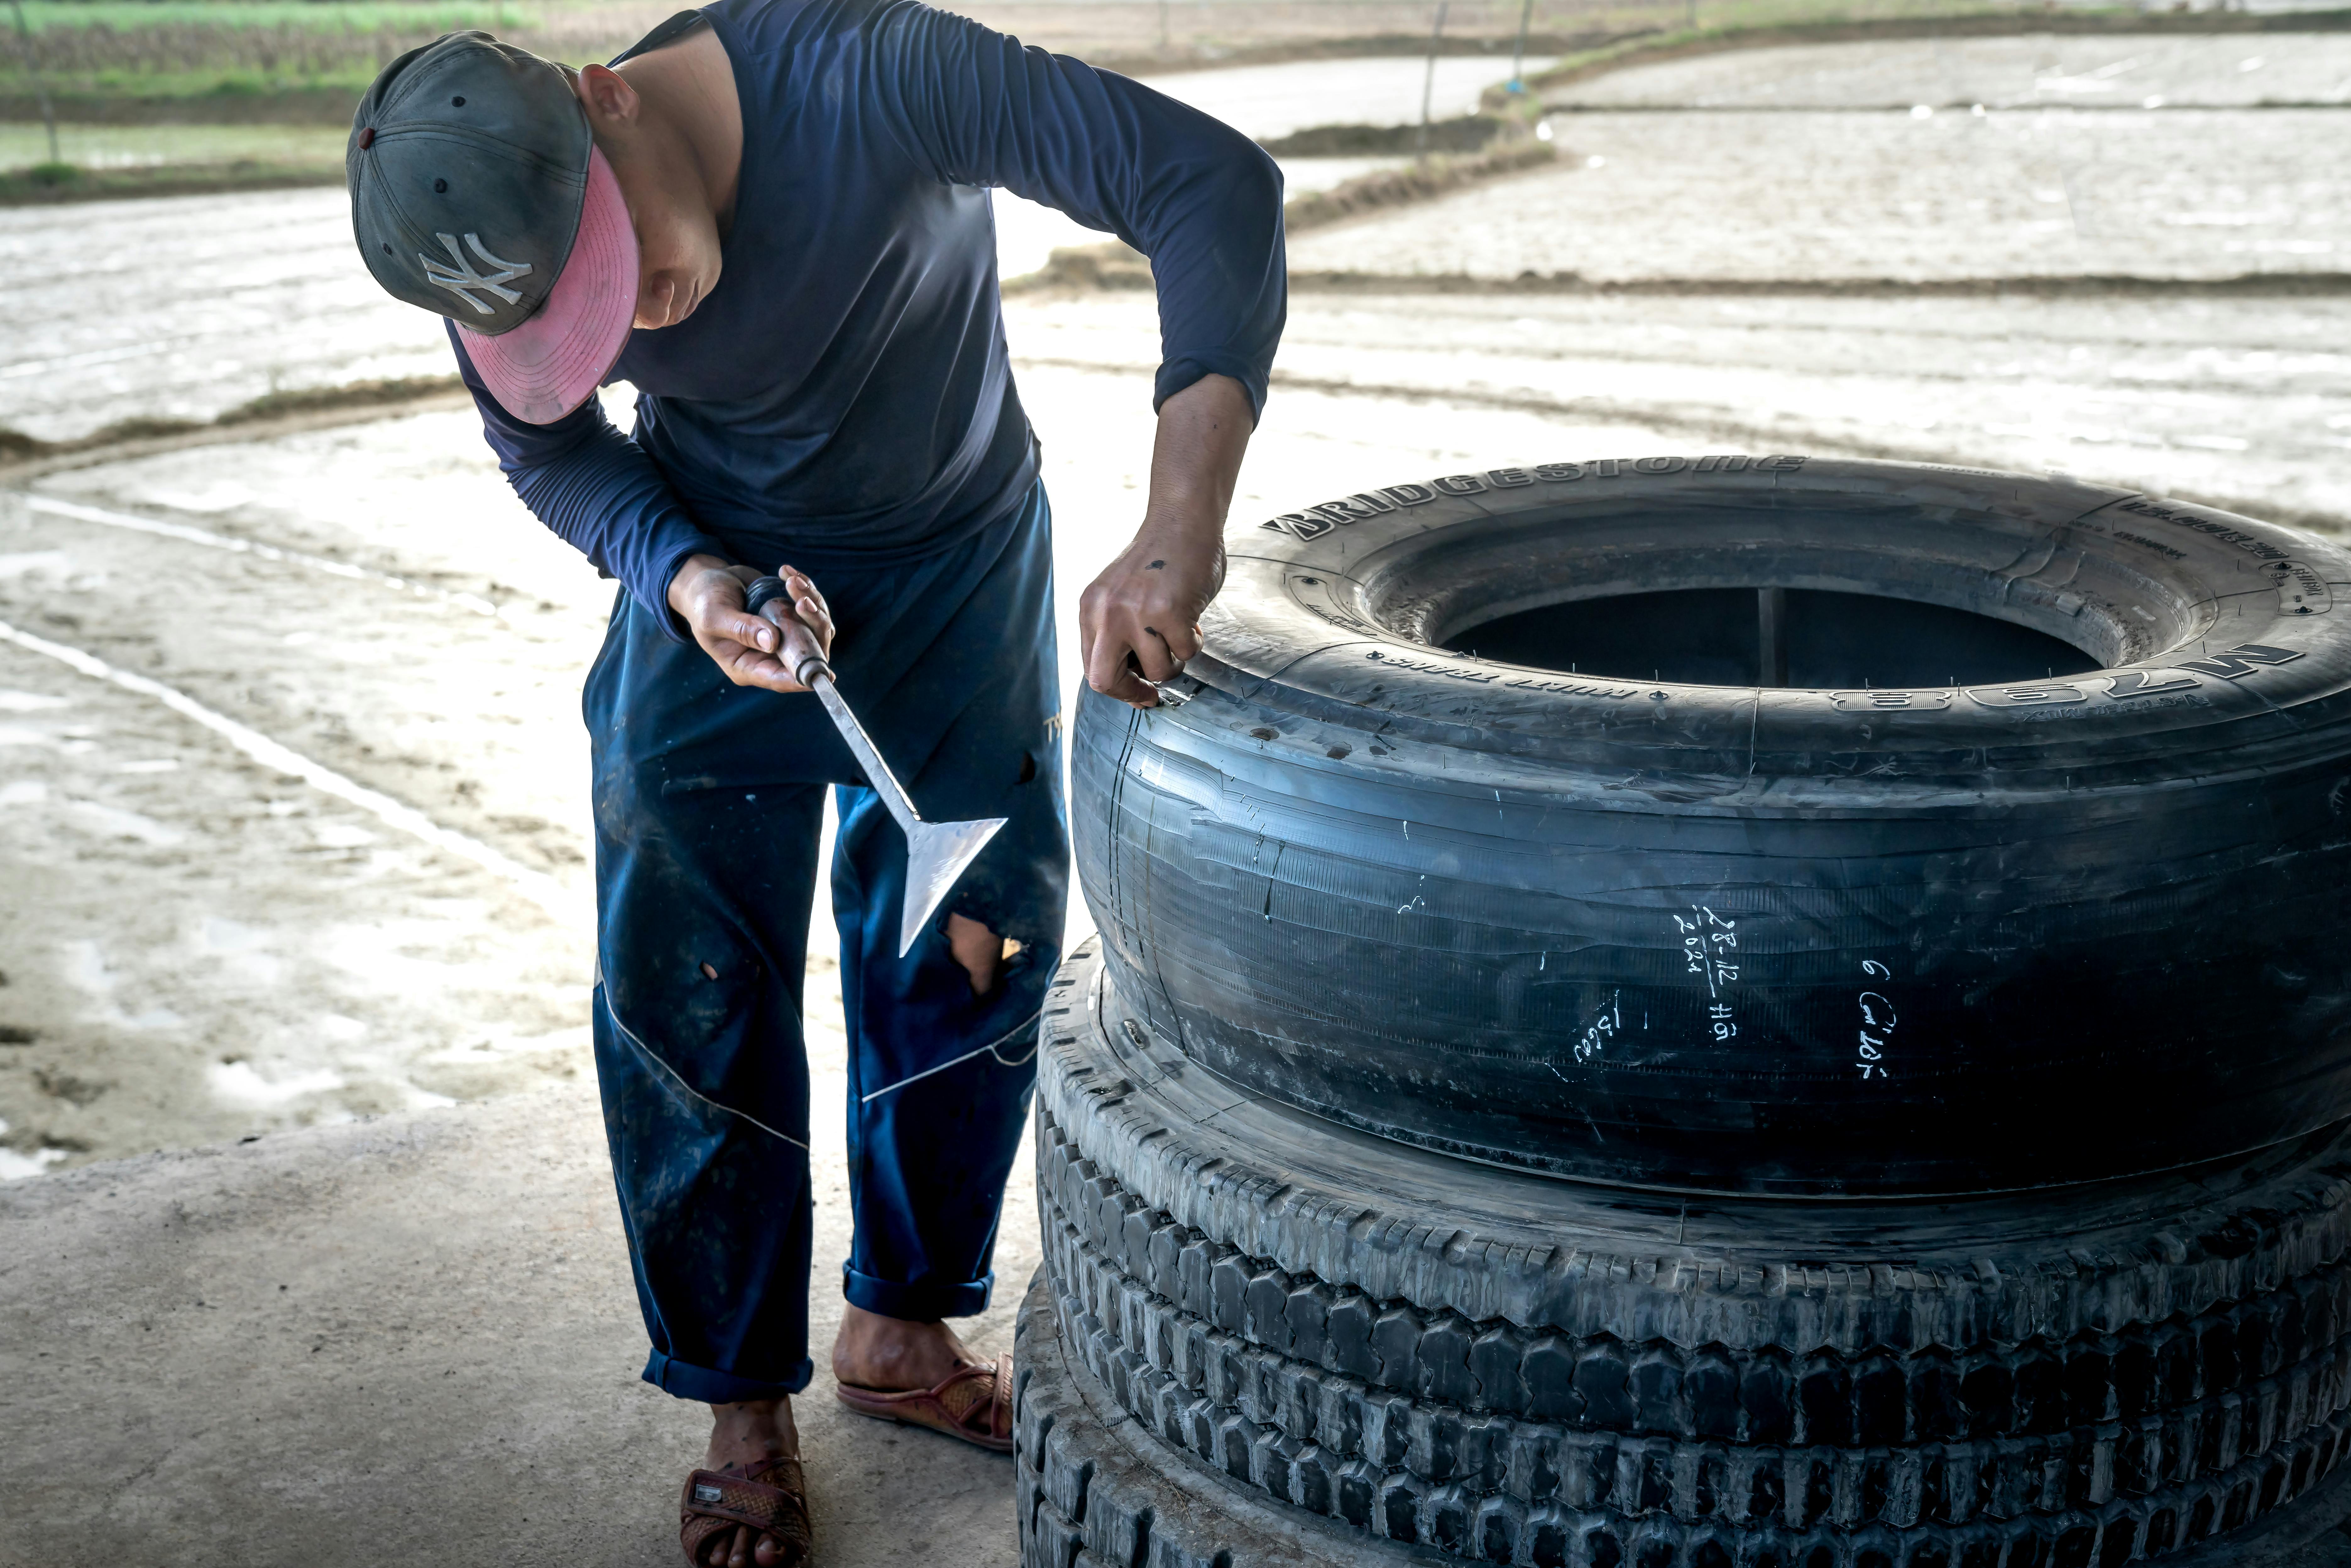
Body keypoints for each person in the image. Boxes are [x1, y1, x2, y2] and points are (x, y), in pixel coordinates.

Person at [343, 5, 1283, 1563]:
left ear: (607, 104)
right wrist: (682, 573)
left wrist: (1177, 527)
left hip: (951, 561)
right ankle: (737, 1404)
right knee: (683, 982)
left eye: (609, 272)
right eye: (573, 318)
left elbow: (1210, 187)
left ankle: (901, 1332)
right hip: (723, 595)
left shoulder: (873, 77)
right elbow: (550, 445)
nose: (626, 320)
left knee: (968, 943)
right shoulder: (483, 240)